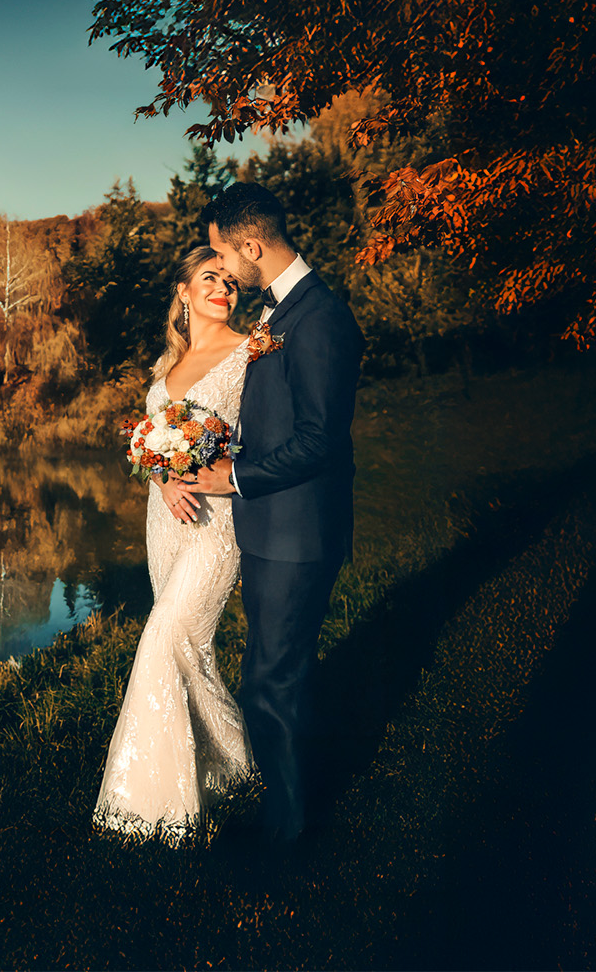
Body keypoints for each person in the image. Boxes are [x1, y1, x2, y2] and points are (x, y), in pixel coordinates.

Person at [182, 181, 365, 845]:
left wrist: (237, 477)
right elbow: (276, 415)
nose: (225, 270)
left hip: (296, 535)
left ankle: (286, 840)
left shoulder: (318, 319)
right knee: (270, 674)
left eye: (225, 257)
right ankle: (282, 809)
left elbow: (319, 438)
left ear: (252, 246)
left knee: (273, 685)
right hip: (270, 531)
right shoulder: (280, 314)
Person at [92, 246, 258, 844]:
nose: (223, 288)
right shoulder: (167, 367)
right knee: (192, 650)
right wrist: (161, 480)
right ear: (184, 293)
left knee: (166, 637)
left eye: (231, 282)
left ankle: (150, 810)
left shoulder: (249, 355)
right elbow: (147, 447)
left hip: (216, 521)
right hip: (165, 520)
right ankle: (232, 772)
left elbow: (264, 443)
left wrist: (220, 476)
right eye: (209, 279)